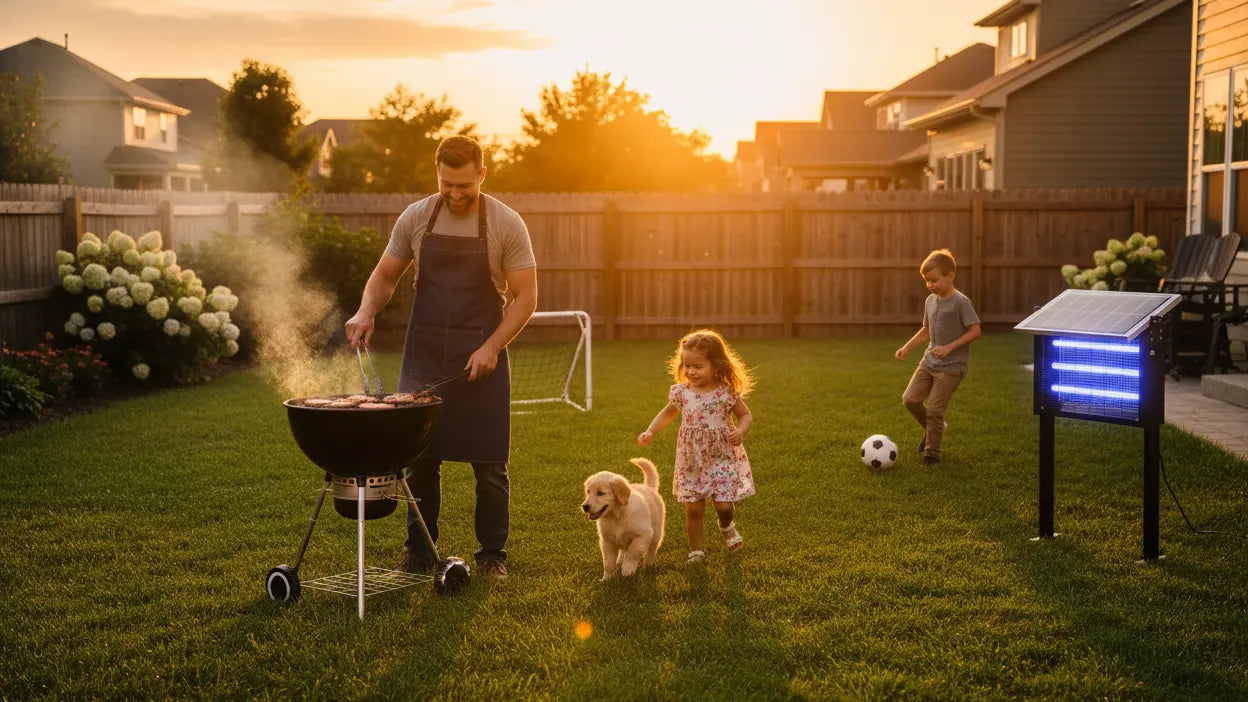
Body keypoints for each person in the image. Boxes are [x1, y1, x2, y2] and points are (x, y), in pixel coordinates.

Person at [345, 135, 537, 582]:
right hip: (425, 353)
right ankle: (419, 552)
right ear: (437, 175)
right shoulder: (416, 217)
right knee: (420, 461)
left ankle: (492, 555)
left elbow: (526, 298)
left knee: (489, 465)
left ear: (482, 175)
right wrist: (365, 310)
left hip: (481, 354)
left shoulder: (506, 223)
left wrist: (492, 346)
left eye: (464, 185)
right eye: (447, 184)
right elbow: (386, 274)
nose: (454, 194)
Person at [637, 329, 754, 563]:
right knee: (694, 508)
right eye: (687, 365)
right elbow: (668, 413)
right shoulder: (682, 392)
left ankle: (726, 524)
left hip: (722, 454)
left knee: (722, 505)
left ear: (716, 365)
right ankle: (697, 551)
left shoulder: (726, 392)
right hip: (691, 457)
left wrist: (740, 431)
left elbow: (746, 416)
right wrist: (651, 430)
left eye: (698, 366)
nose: (691, 371)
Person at [894, 248, 981, 465]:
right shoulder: (930, 301)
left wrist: (950, 347)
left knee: (934, 409)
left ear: (950, 276)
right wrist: (906, 348)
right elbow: (926, 330)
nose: (930, 285)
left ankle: (931, 453)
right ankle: (936, 427)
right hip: (929, 361)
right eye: (926, 281)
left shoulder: (961, 302)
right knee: (910, 399)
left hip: (952, 366)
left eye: (934, 280)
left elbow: (975, 331)